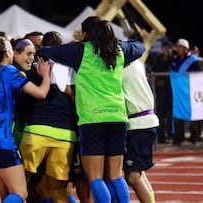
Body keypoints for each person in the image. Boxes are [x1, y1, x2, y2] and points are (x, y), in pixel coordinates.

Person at [36, 16, 145, 203]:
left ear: (85, 34)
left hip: (92, 119)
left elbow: (47, 50)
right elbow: (140, 46)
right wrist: (114, 42)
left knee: (95, 177)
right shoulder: (120, 50)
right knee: (116, 175)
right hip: (118, 117)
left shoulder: (80, 50)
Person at [0, 36, 52, 203]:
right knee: (20, 193)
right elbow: (41, 93)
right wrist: (46, 76)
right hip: (1, 141)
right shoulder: (9, 72)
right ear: (8, 53)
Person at [19, 31, 78, 203]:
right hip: (65, 134)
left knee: (19, 185)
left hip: (37, 131)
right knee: (58, 190)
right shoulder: (72, 69)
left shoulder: (37, 68)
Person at [122, 59, 159, 203]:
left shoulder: (118, 65)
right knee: (140, 174)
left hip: (137, 123)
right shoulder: (136, 62)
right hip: (147, 120)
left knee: (133, 176)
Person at [170, 38, 201, 146]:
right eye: (177, 46)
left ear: (185, 48)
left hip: (191, 92)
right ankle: (178, 138)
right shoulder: (174, 60)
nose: (177, 49)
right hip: (179, 93)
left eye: (180, 47)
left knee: (194, 114)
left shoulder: (193, 60)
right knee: (178, 114)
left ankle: (194, 138)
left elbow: (197, 75)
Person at [146, 40, 174, 143]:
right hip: (160, 92)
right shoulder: (156, 59)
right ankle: (161, 137)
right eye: (165, 48)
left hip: (171, 91)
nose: (167, 50)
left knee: (170, 114)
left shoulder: (173, 60)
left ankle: (170, 135)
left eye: (169, 48)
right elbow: (151, 70)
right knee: (160, 114)